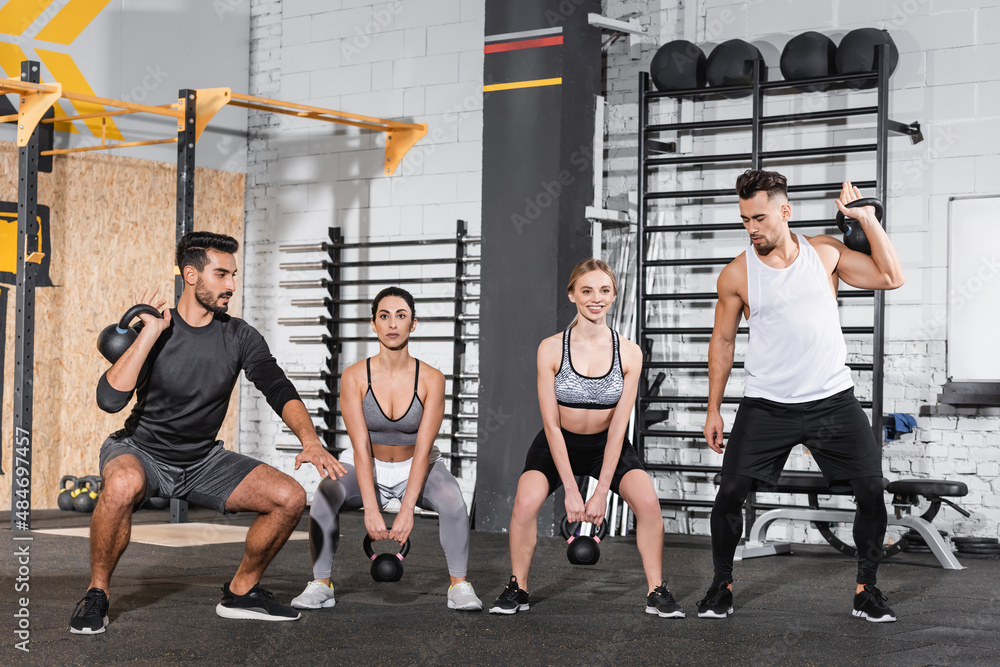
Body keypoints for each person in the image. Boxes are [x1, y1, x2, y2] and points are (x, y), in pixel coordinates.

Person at [71, 231, 345, 634]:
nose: (231, 285)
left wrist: (310, 440)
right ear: (191, 275)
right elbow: (110, 400)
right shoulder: (156, 331)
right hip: (142, 451)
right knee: (121, 484)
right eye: (221, 274)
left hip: (203, 460)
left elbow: (277, 386)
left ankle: (241, 592)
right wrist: (147, 335)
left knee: (290, 497)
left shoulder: (239, 336)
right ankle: (97, 593)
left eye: (233, 274)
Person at [699, 171, 905, 622]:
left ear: (784, 212)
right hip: (767, 403)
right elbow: (723, 341)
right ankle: (721, 585)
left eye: (759, 217)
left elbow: (891, 276)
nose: (752, 228)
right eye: (744, 219)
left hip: (832, 398)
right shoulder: (737, 273)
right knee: (730, 490)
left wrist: (867, 219)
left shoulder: (826, 253)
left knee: (871, 490)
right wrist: (713, 408)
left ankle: (866, 590)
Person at [489, 259, 683, 618]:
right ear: (572, 294)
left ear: (613, 296)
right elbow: (550, 424)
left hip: (605, 445)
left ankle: (657, 591)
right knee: (525, 503)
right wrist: (572, 490)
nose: (596, 299)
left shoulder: (629, 352)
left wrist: (600, 491)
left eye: (604, 291)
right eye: (587, 290)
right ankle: (518, 586)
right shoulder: (550, 348)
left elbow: (620, 425)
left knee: (649, 505)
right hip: (557, 442)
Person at [291, 286, 482, 612]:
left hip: (416, 465)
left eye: (401, 315)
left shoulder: (432, 379)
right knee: (324, 496)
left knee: (452, 500)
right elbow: (361, 448)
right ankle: (321, 584)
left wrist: (407, 509)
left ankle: (459, 585)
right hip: (366, 463)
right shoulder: (353, 377)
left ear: (413, 324)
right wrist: (371, 508)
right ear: (374, 323)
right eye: (384, 316)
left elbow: (423, 450)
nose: (393, 323)